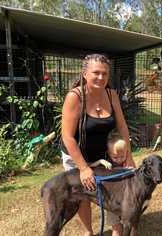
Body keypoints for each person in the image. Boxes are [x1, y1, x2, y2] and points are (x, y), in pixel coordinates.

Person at [61, 54, 135, 236]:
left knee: (112, 188)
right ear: (85, 74)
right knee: (83, 195)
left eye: (105, 74)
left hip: (103, 156)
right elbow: (67, 137)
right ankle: (89, 231)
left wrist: (129, 156)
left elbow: (122, 126)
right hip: (76, 155)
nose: (101, 77)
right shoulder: (75, 97)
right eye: (96, 73)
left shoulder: (112, 95)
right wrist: (84, 168)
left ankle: (116, 226)